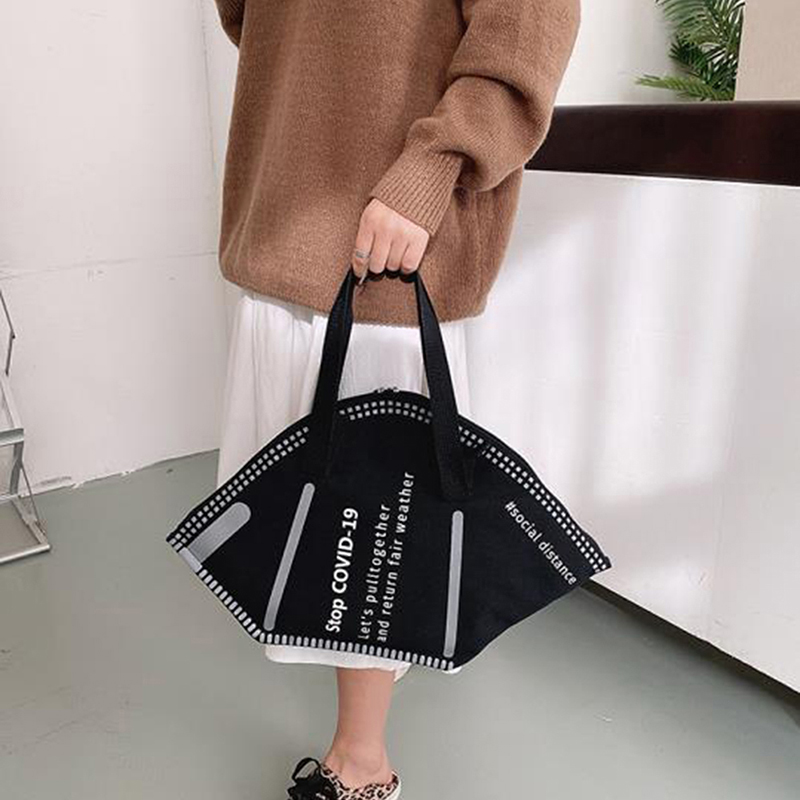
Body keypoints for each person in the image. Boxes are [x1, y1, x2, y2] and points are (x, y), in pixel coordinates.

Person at [211, 1, 580, 798]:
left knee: (370, 524)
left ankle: (363, 767)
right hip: (283, 209)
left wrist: (430, 170)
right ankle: (363, 737)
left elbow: (525, 33)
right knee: (316, 518)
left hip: (389, 234)